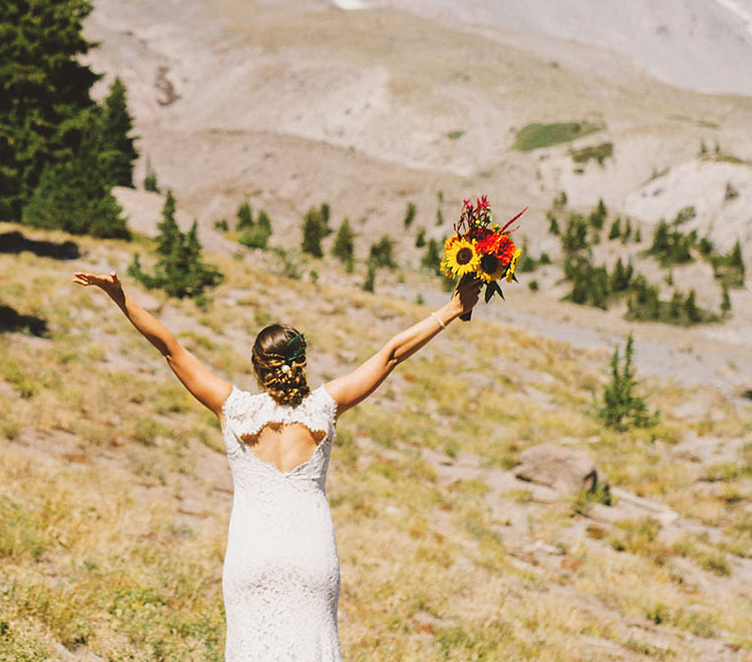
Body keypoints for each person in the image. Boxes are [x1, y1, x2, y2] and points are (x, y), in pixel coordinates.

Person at [73, 269, 482, 662]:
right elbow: (391, 354)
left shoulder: (233, 409)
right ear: (300, 363)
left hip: (252, 555)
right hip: (310, 555)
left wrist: (119, 296)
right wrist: (450, 309)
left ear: (257, 366)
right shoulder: (325, 407)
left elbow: (169, 348)